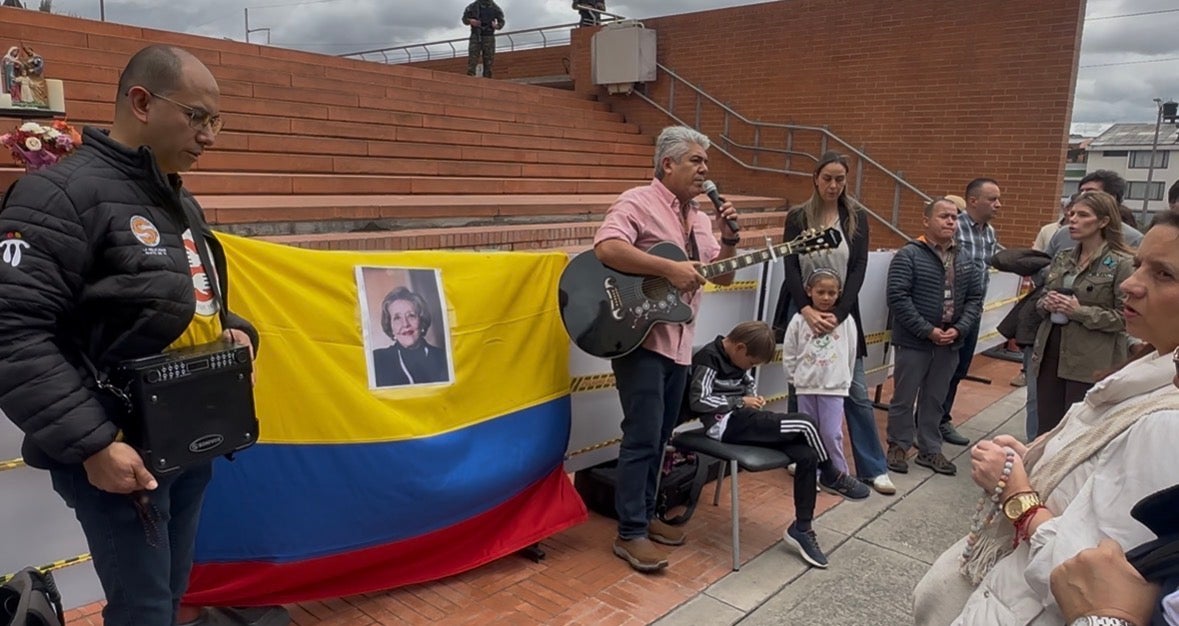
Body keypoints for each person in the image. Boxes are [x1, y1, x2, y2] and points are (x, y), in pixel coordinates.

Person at [0, 45, 284, 626]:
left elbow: (188, 301)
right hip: (119, 453)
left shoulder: (179, 198)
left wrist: (235, 333)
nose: (209, 136)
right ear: (141, 102)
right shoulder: (57, 195)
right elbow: (13, 330)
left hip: (186, 441)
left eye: (217, 121)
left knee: (169, 595)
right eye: (197, 117)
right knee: (144, 611)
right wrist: (94, 445)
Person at [911, 211, 1179, 626]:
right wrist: (1040, 457)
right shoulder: (1150, 370)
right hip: (1055, 352)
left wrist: (1017, 494)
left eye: (1163, 274)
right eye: (1140, 263)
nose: (1132, 283)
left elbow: (1094, 580)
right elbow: (1093, 471)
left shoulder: (1166, 424)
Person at [593, 125, 739, 573]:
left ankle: (646, 515)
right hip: (639, 339)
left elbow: (722, 276)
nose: (704, 169)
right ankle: (629, 533)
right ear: (667, 163)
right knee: (642, 435)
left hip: (680, 344)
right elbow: (607, 247)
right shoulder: (638, 201)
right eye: (696, 160)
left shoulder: (700, 219)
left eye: (707, 162)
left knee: (661, 435)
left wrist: (729, 239)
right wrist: (668, 268)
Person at [688, 321, 869, 568]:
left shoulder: (738, 358)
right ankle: (830, 474)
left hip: (744, 419)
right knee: (805, 423)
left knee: (807, 454)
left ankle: (802, 528)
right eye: (751, 362)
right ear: (740, 348)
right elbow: (698, 400)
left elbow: (747, 382)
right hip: (724, 424)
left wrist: (752, 396)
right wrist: (740, 402)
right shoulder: (708, 358)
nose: (750, 368)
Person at [771, 151, 896, 496]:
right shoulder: (798, 216)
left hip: (842, 310)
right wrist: (805, 309)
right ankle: (803, 456)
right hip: (802, 307)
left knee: (855, 389)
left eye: (840, 179)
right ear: (816, 179)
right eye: (827, 178)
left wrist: (839, 313)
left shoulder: (856, 217)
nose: (833, 185)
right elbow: (790, 264)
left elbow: (858, 268)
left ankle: (873, 466)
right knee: (801, 386)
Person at [885, 197, 984, 477]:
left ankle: (930, 449)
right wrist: (927, 330)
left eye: (954, 217)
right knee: (904, 397)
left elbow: (975, 298)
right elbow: (898, 297)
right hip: (914, 341)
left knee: (935, 399)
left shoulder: (964, 257)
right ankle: (898, 445)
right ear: (926, 220)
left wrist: (960, 328)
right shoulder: (909, 255)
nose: (950, 221)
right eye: (944, 216)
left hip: (950, 341)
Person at [1030, 190, 1134, 435]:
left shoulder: (1122, 263)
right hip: (1051, 350)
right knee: (1047, 427)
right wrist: (1046, 303)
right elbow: (1041, 297)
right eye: (1072, 213)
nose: (1073, 220)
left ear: (1103, 221)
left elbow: (1126, 318)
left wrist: (1079, 311)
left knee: (1077, 430)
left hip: (1092, 360)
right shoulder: (1063, 258)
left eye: (1083, 215)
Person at [781, 268, 870, 497]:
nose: (826, 298)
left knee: (831, 433)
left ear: (839, 293)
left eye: (831, 293)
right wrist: (794, 377)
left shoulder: (846, 321)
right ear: (809, 291)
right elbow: (790, 350)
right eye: (821, 292)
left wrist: (845, 379)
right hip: (805, 386)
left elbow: (851, 351)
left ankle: (838, 474)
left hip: (834, 387)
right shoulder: (799, 320)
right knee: (807, 434)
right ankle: (811, 475)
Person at [935, 178, 1001, 447]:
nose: (998, 204)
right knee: (940, 370)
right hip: (949, 312)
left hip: (973, 312)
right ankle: (926, 420)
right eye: (992, 199)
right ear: (973, 201)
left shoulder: (990, 232)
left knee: (960, 368)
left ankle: (941, 418)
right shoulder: (953, 227)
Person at [1046, 170, 1144, 256]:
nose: (1083, 196)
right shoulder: (1063, 234)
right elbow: (1045, 266)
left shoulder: (1133, 239)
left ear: (1112, 197)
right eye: (1081, 191)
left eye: (1090, 192)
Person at [372, 286, 449, 387]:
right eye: (397, 318)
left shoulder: (444, 358)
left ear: (421, 321)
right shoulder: (377, 361)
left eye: (411, 315)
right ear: (390, 327)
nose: (405, 324)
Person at [462, 0, 505, 78]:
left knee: (489, 61)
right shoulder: (473, 6)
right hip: (476, 35)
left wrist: (496, 26)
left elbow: (502, 21)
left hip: (489, 36)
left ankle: (487, 80)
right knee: (472, 60)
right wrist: (470, 21)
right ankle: (470, 78)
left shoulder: (495, 7)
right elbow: (464, 19)